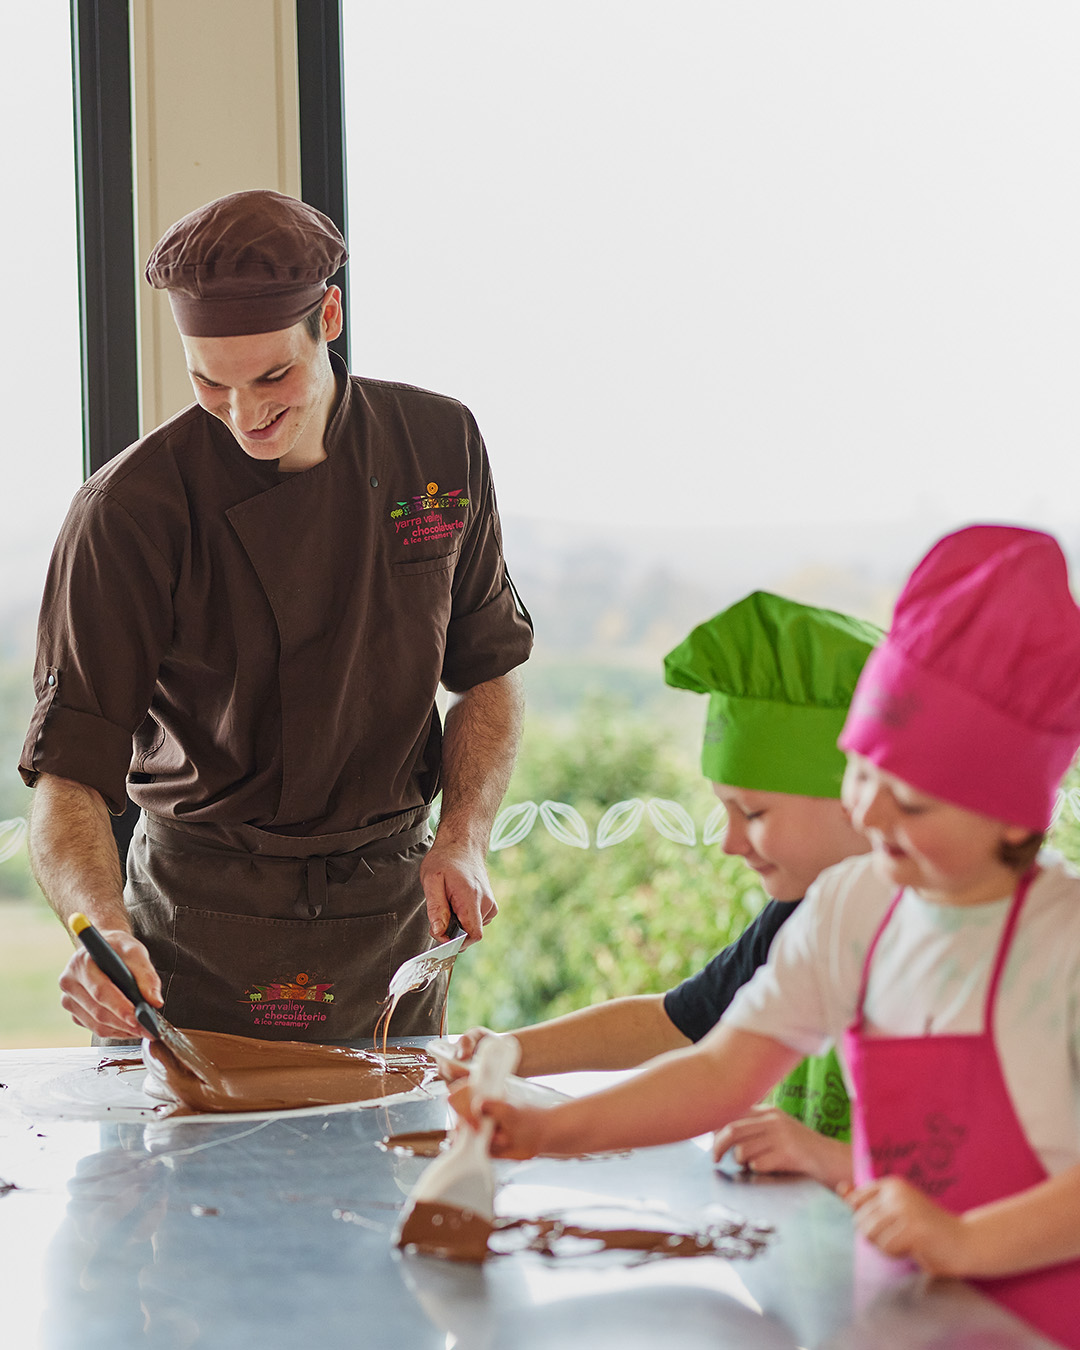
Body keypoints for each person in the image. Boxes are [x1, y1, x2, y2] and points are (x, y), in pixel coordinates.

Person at [458, 525, 1080, 1349]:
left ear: (1015, 816)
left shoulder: (1063, 943)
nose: (872, 812)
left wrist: (967, 1242)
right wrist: (546, 1132)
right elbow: (721, 1070)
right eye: (863, 771)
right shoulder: (853, 907)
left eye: (913, 801)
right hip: (897, 1313)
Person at [20, 190, 533, 1044]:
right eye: (209, 382)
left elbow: (489, 672)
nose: (244, 413)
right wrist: (101, 931)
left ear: (328, 316)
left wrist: (465, 836)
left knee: (395, 1130)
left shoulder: (439, 446)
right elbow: (67, 774)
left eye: (271, 377)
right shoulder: (129, 510)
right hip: (198, 919)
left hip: (392, 910)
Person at [443, 591, 879, 1186]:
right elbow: (697, 1045)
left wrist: (831, 1158)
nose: (729, 842)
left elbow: (992, 1166)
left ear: (860, 796)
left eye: (753, 813)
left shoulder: (950, 932)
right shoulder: (811, 919)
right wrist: (521, 1077)